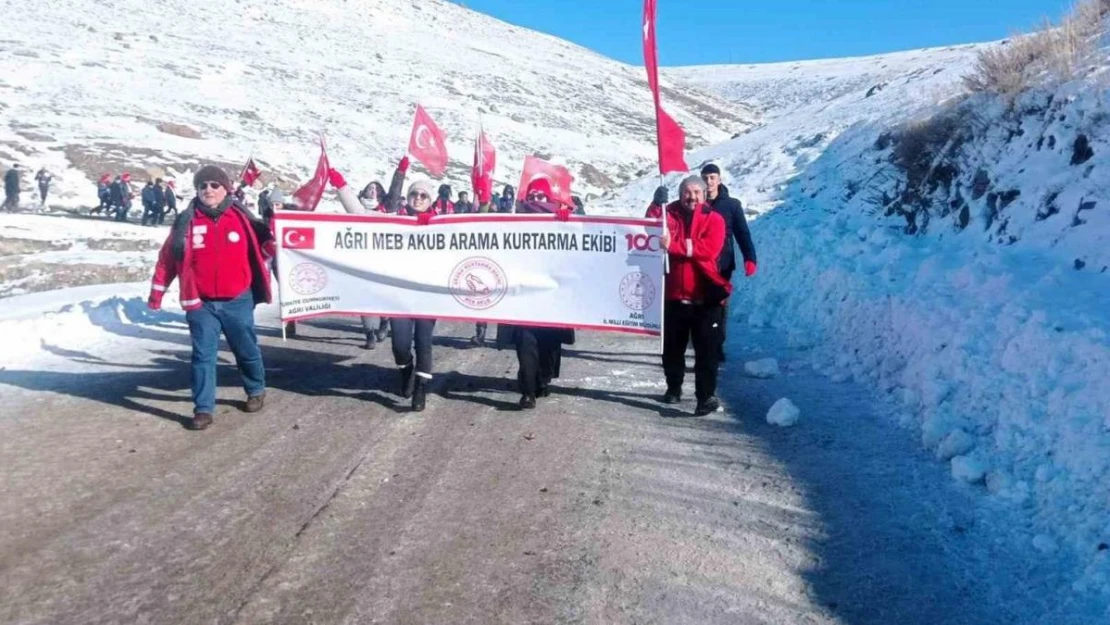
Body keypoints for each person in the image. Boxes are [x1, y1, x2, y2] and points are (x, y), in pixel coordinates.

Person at [147, 165, 275, 431]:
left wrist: (277, 240)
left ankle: (255, 389)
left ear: (225, 188)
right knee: (203, 356)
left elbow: (265, 244)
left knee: (245, 350)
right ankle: (203, 409)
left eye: (214, 185)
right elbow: (168, 258)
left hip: (238, 299)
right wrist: (157, 293)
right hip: (201, 302)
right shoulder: (186, 221)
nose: (208, 190)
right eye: (202, 185)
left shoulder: (241, 218)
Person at [497, 178, 576, 409]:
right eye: (531, 197)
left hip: (552, 296)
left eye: (540, 197)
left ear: (549, 199)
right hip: (524, 295)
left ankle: (542, 379)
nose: (535, 201)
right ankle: (528, 390)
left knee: (549, 344)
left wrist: (567, 223)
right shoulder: (516, 222)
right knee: (525, 341)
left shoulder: (561, 221)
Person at [659, 175, 731, 417]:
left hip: (706, 298)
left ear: (704, 195)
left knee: (707, 351)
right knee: (672, 348)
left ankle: (705, 397)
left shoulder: (715, 219)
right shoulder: (669, 214)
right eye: (686, 192)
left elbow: (707, 249)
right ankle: (674, 386)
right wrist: (655, 202)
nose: (691, 197)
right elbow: (653, 225)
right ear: (680, 195)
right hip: (674, 296)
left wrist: (675, 245)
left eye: (696, 193)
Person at [331, 162, 413, 350]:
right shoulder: (359, 212)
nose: (373, 191)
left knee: (384, 296)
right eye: (370, 188)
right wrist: (339, 183)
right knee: (365, 298)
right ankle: (369, 334)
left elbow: (395, 191)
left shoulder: (389, 210)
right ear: (364, 192)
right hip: (365, 263)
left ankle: (384, 321)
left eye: (376, 188)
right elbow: (349, 199)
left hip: (386, 263)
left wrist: (400, 172)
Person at [700, 164, 758, 362]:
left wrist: (749, 257)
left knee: (719, 306)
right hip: (698, 264)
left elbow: (742, 233)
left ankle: (717, 345)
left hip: (722, 265)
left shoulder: (732, 205)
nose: (708, 182)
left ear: (719, 180)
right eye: (705, 178)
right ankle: (702, 345)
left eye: (712, 177)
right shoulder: (694, 204)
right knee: (699, 306)